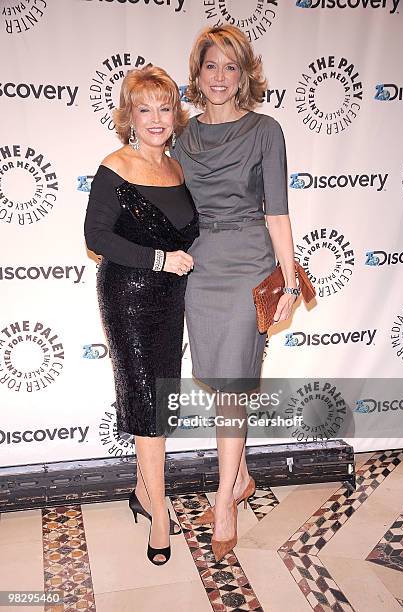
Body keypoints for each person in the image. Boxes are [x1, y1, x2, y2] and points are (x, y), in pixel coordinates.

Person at [171, 25, 298, 562]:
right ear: (196, 74)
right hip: (199, 268)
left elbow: (277, 210)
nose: (220, 77)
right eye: (210, 66)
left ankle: (225, 501)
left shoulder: (266, 131)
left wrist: (289, 279)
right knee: (220, 379)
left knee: (232, 387)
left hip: (248, 264)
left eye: (231, 67)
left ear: (245, 73)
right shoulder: (181, 136)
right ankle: (241, 476)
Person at [84, 66, 199, 566]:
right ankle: (159, 511)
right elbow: (98, 237)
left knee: (161, 396)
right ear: (129, 115)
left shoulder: (178, 169)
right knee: (147, 399)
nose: (156, 118)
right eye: (144, 108)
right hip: (130, 294)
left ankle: (141, 487)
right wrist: (158, 260)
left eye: (165, 107)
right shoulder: (116, 165)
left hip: (173, 296)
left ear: (176, 113)